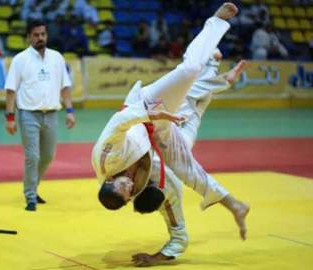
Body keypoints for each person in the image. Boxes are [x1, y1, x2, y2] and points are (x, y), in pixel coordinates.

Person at [93, 1, 249, 242]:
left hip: (143, 109)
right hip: (156, 134)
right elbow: (172, 193)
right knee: (187, 169)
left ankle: (216, 23)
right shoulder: (138, 185)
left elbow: (119, 121)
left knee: (188, 71)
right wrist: (172, 246)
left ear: (111, 179)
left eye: (125, 186)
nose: (131, 187)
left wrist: (152, 115)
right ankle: (234, 205)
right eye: (129, 193)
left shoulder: (105, 158)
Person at [130, 54, 248, 267]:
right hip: (172, 137)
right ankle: (214, 66)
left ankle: (212, 62)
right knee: (184, 91)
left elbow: (179, 239)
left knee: (194, 102)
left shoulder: (161, 194)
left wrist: (155, 259)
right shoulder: (160, 186)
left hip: (181, 135)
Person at [4, 20, 76, 211]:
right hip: (28, 114)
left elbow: (65, 86)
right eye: (36, 35)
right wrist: (10, 117)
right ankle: (30, 197)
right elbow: (11, 90)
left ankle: (33, 188)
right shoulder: (20, 60)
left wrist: (70, 111)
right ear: (29, 37)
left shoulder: (56, 58)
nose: (40, 38)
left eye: (43, 34)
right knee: (32, 156)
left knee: (48, 156)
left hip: (52, 114)